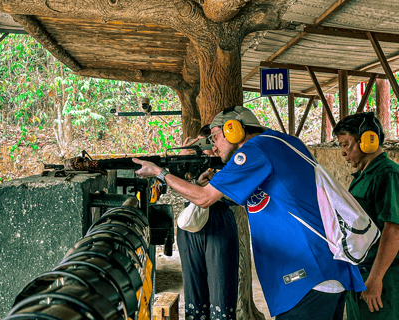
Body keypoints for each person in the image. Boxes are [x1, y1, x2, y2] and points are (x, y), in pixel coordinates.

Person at [133, 105, 366, 320]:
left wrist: (159, 172)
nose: (213, 146)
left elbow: (203, 199)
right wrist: (220, 185)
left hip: (307, 278)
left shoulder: (254, 150)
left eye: (215, 137)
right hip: (327, 270)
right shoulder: (281, 142)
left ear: (233, 130)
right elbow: (273, 196)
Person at [333, 112, 399, 320]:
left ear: (368, 140)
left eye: (346, 144)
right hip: (360, 274)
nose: (343, 153)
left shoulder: (387, 174)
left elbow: (394, 229)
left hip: (381, 276)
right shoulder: (363, 176)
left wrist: (376, 278)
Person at [177, 125, 239, 320]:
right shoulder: (192, 162)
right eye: (203, 144)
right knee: (194, 291)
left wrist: (215, 182)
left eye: (212, 143)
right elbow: (172, 184)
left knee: (222, 289)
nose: (208, 149)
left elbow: (237, 197)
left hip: (219, 224)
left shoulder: (231, 161)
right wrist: (184, 158)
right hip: (191, 225)